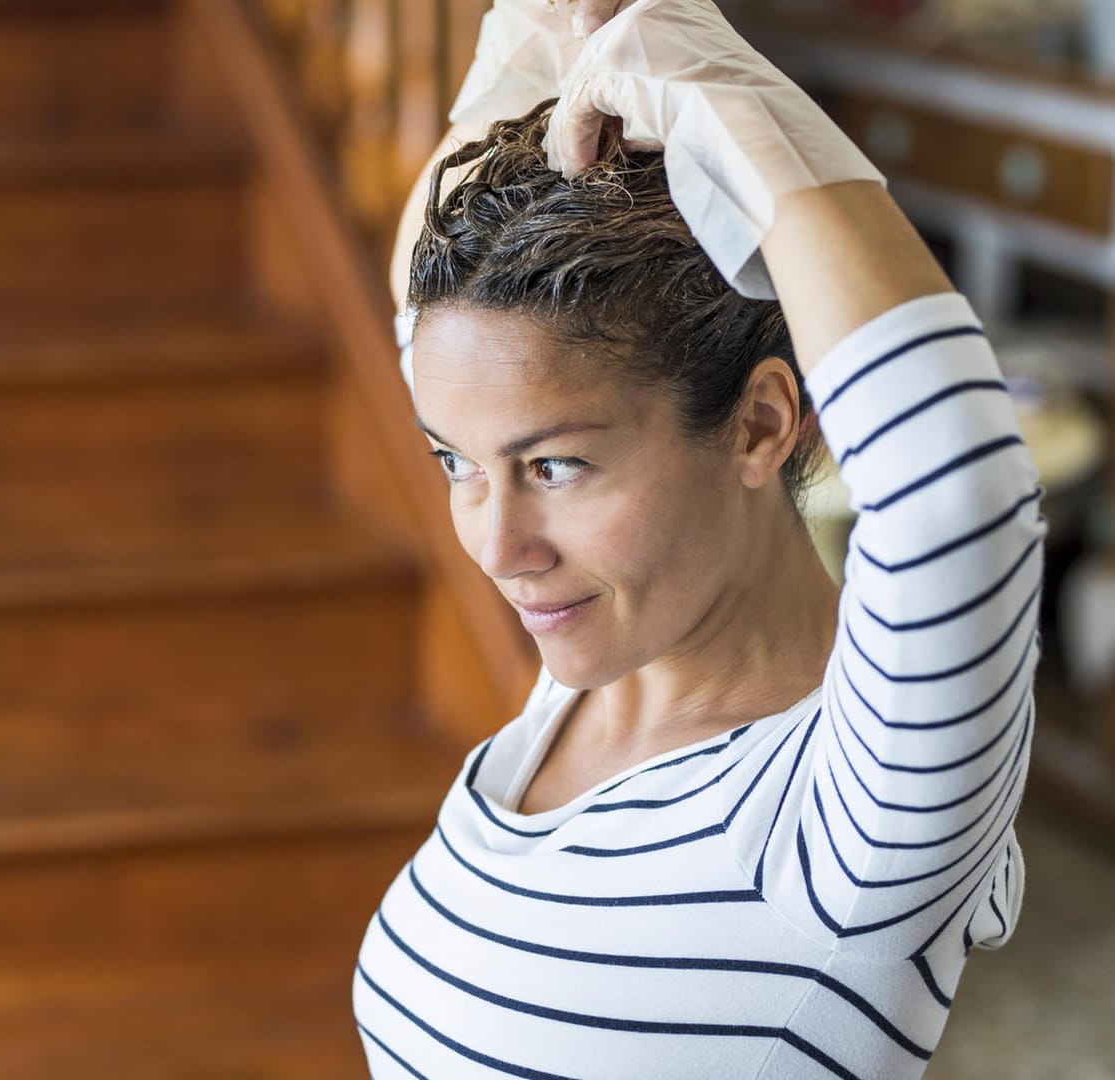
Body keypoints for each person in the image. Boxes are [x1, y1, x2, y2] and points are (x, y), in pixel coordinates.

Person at [352, 1, 1045, 1076]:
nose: (497, 546)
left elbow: (957, 488)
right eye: (457, 465)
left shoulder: (848, 826)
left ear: (763, 424)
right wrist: (527, 57)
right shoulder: (602, 675)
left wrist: (728, 93)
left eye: (556, 468)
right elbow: (442, 332)